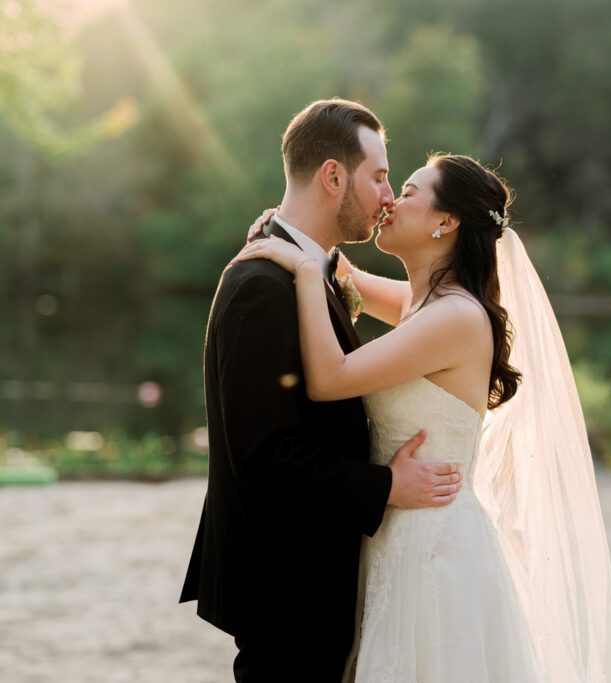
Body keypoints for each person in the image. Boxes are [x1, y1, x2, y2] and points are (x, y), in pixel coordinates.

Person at [234, 152, 611, 682]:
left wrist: (303, 272)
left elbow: (329, 378)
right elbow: (344, 276)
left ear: (446, 223)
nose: (393, 199)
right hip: (399, 530)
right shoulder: (425, 305)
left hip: (433, 546)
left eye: (412, 192)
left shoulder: (456, 317)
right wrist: (294, 236)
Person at [179, 98, 464, 683]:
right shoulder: (261, 285)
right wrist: (387, 485)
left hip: (316, 576)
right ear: (333, 177)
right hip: (285, 585)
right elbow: (262, 456)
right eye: (381, 176)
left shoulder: (317, 272)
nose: (388, 196)